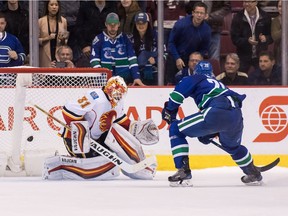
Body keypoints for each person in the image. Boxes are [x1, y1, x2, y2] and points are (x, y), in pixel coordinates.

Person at [162, 60, 262, 187]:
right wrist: (211, 131)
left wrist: (170, 112)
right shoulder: (219, 84)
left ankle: (183, 172)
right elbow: (235, 101)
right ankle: (253, 172)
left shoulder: (194, 78)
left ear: (196, 72)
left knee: (176, 129)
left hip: (216, 112)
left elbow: (176, 96)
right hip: (236, 116)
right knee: (232, 147)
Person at [43, 76, 157, 180]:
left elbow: (120, 120)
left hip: (96, 139)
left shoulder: (119, 100)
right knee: (93, 166)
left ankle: (139, 166)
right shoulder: (95, 96)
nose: (119, 97)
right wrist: (81, 132)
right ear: (110, 89)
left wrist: (135, 128)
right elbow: (69, 110)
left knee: (110, 162)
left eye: (121, 94)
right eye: (117, 93)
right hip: (75, 139)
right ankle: (56, 166)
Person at [90, 12, 145, 86]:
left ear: (118, 24)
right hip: (105, 81)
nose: (112, 27)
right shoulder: (99, 39)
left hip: (125, 80)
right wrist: (102, 78)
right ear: (106, 24)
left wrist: (136, 77)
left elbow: (132, 59)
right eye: (110, 25)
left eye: (114, 25)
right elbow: (94, 60)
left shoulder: (125, 39)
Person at [166, 2, 211, 85]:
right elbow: (171, 43)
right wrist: (177, 58)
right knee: (171, 83)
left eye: (201, 13)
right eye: (197, 12)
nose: (199, 15)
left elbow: (204, 48)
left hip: (192, 59)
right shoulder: (181, 24)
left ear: (205, 15)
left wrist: (195, 59)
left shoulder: (207, 30)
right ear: (193, 13)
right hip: (175, 57)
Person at [230, 0, 273, 73]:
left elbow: (271, 36)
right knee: (242, 80)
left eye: (249, 2)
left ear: (256, 2)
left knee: (261, 81)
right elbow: (234, 39)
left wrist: (266, 38)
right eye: (245, 2)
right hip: (243, 56)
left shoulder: (265, 17)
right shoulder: (238, 17)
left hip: (260, 56)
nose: (246, 4)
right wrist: (247, 41)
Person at [74, 0, 117, 67]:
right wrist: (84, 45)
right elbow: (78, 28)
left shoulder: (112, 5)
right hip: (88, 47)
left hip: (107, 46)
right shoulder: (85, 6)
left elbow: (115, 26)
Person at [129, 12, 161, 85]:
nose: (141, 26)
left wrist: (155, 60)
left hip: (154, 74)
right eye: (138, 23)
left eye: (143, 23)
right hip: (137, 74)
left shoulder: (156, 36)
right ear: (135, 24)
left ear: (148, 24)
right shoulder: (130, 39)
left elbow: (165, 54)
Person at [38, 0, 68, 67]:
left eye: (56, 5)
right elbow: (35, 41)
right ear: (47, 6)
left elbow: (65, 42)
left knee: (57, 76)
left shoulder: (63, 21)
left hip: (58, 55)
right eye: (51, 5)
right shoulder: (40, 21)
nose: (54, 7)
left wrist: (63, 39)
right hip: (44, 55)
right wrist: (47, 38)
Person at [271, 0, 282, 66]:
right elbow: (275, 37)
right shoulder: (275, 21)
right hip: (280, 54)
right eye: (280, 6)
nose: (282, 8)